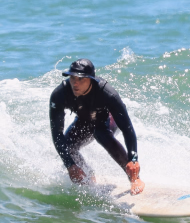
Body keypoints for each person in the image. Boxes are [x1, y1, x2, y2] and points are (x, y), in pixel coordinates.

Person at [49, 59, 143, 193]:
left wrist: (133, 159)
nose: (75, 83)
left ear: (91, 79)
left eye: (80, 79)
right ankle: (87, 176)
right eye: (72, 78)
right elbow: (57, 134)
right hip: (84, 119)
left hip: (107, 119)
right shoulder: (59, 95)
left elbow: (127, 128)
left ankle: (134, 178)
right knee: (68, 146)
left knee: (101, 134)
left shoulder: (107, 93)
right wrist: (70, 165)